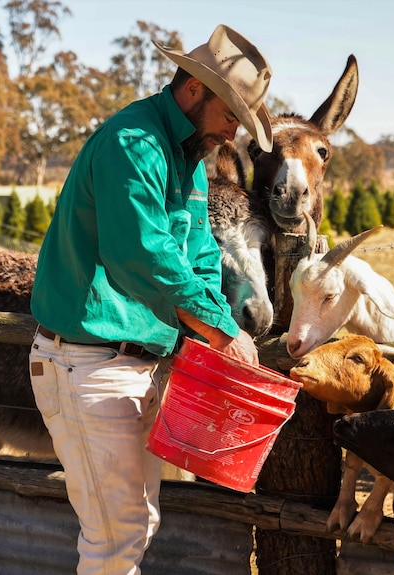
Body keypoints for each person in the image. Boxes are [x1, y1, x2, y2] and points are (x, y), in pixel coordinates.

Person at [28, 24, 273, 575]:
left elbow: (199, 251)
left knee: (135, 526)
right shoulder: (132, 144)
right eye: (231, 115)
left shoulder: (186, 158)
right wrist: (221, 331)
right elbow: (143, 253)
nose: (233, 132)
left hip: (141, 363)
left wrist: (219, 320)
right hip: (89, 361)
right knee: (115, 539)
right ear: (193, 91)